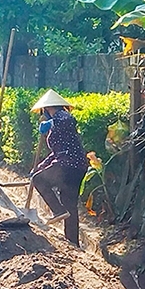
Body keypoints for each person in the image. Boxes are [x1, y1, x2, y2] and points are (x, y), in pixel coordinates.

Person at [30, 89, 88, 246]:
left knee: (39, 180)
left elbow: (70, 120)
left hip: (68, 165)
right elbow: (55, 153)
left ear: (47, 108)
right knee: (69, 203)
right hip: (76, 166)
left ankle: (57, 210)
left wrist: (51, 122)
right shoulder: (57, 125)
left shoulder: (61, 116)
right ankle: (72, 242)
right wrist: (40, 166)